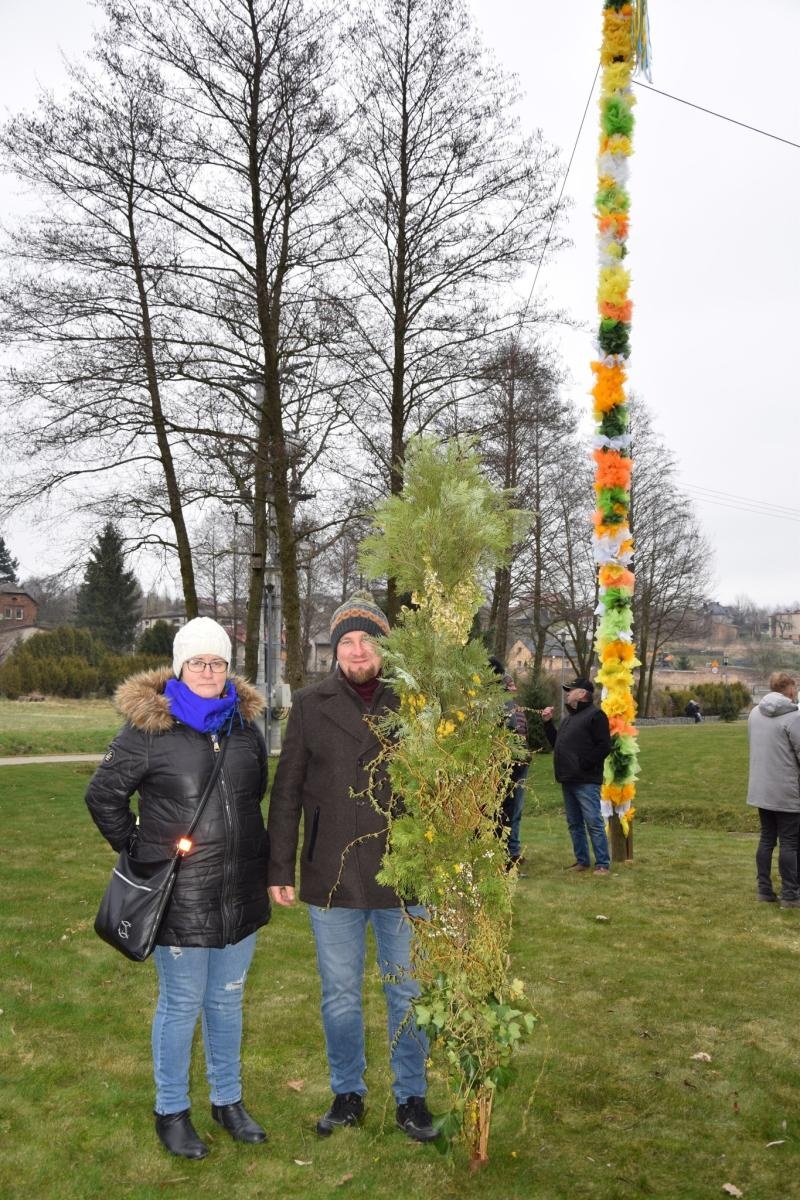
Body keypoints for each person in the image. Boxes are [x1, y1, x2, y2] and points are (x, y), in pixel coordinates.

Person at [86, 617, 271, 1160]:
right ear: (180, 667)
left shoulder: (245, 729)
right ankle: (171, 1110)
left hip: (239, 892)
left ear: (227, 668)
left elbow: (252, 795)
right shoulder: (148, 732)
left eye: (217, 661)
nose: (209, 670)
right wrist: (143, 851)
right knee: (183, 1002)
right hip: (180, 898)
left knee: (228, 1002)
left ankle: (227, 1100)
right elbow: (103, 798)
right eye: (198, 662)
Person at [266, 593, 436, 1143]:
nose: (357, 649)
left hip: (403, 873)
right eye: (347, 641)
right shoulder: (311, 705)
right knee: (339, 993)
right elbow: (287, 791)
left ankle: (412, 1097)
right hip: (331, 874)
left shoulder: (416, 703)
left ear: (383, 645)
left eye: (366, 639)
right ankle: (347, 1093)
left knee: (406, 991)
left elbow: (443, 786)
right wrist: (280, 868)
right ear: (334, 650)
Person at [541, 676, 612, 876]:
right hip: (568, 779)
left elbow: (604, 746)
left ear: (581, 694)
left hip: (586, 781)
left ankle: (602, 864)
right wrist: (547, 724)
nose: (567, 693)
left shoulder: (596, 716)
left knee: (593, 822)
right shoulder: (569, 719)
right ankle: (582, 861)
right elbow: (557, 743)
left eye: (570, 690)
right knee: (574, 824)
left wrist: (582, 764)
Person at [745, 671, 800, 908]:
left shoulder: (754, 713)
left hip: (761, 786)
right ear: (788, 688)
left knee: (767, 838)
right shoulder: (794, 716)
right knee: (789, 841)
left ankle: (764, 889)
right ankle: (790, 894)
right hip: (786, 788)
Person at [488, 656, 530, 869]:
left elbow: (517, 733)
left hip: (510, 769)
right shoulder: (502, 705)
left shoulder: (506, 706)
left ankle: (506, 857)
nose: (512, 687)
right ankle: (505, 856)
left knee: (506, 813)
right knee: (506, 814)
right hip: (509, 768)